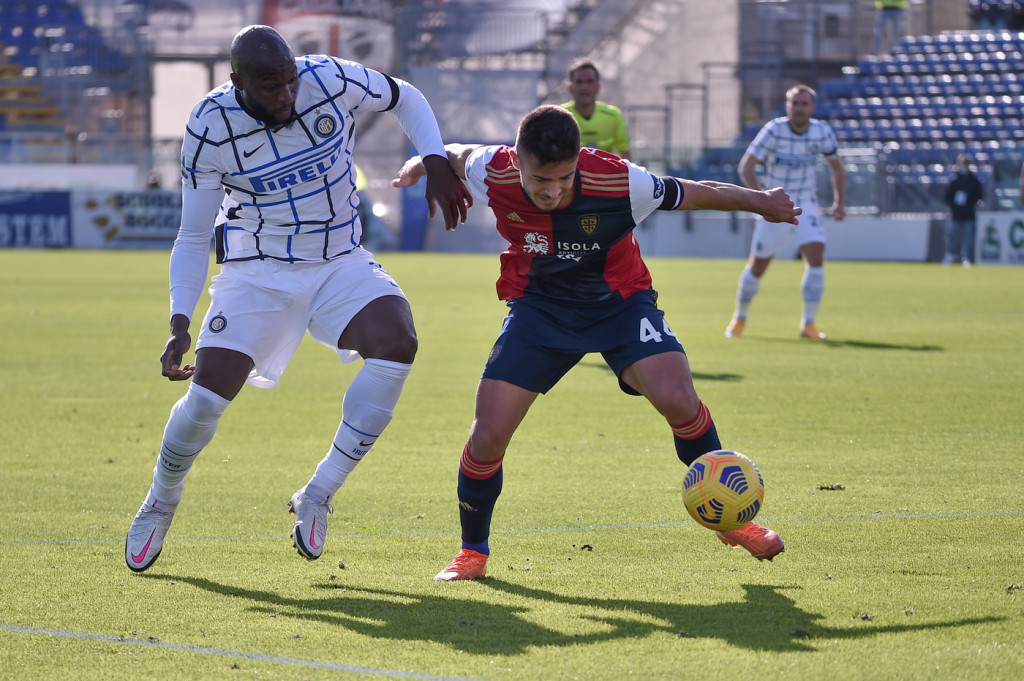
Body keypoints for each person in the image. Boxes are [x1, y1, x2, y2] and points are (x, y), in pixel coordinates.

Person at [391, 105, 799, 581]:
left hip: (619, 303)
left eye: (565, 178)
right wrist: (422, 163)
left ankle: (732, 522)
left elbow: (695, 192)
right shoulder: (493, 168)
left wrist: (761, 201)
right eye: (541, 180)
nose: (553, 191)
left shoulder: (620, 181)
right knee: (487, 436)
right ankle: (472, 554)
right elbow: (454, 155)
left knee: (678, 398)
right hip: (540, 309)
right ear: (517, 160)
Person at [124, 25, 471, 572]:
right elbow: (192, 235)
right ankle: (161, 500)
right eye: (271, 86)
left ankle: (319, 492)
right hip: (256, 271)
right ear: (238, 81)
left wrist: (433, 158)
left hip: (338, 260)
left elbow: (405, 96)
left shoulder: (328, 77)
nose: (286, 95)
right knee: (207, 399)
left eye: (289, 81)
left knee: (397, 342)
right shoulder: (209, 125)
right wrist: (179, 320)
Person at [725, 84, 846, 341]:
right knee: (758, 266)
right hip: (775, 204)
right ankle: (739, 317)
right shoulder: (774, 130)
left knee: (816, 257)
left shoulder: (822, 132)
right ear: (787, 106)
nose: (799, 108)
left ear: (812, 108)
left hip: (806, 203)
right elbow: (746, 167)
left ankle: (808, 324)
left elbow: (837, 167)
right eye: (795, 103)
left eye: (804, 104)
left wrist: (840, 202)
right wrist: (761, 200)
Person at [561, 58, 631, 160]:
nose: (584, 87)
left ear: (598, 86)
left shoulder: (614, 115)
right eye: (579, 82)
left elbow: (625, 152)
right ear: (569, 87)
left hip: (604, 171)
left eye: (590, 81)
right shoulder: (559, 116)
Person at [943, 154, 983, 267]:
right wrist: (955, 205)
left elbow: (979, 196)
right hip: (955, 215)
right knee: (952, 237)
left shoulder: (974, 181)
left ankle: (966, 257)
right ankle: (950, 255)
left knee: (968, 239)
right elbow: (947, 197)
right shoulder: (954, 180)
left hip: (969, 215)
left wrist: (969, 203)